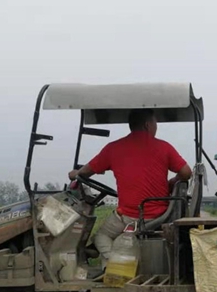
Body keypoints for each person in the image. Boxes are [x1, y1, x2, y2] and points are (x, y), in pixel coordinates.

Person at [69, 109, 192, 262]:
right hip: (160, 215)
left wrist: (76, 173)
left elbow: (86, 172)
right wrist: (173, 182)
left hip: (130, 217)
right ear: (147, 125)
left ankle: (116, 263)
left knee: (101, 236)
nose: (156, 127)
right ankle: (112, 260)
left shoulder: (113, 148)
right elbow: (186, 172)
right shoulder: (164, 147)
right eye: (155, 123)